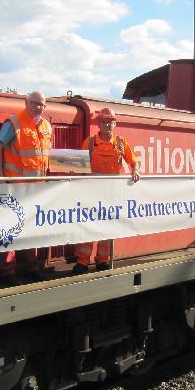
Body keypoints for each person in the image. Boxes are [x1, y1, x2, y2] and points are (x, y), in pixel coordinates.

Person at [0, 91, 52, 283]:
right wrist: (0, 178)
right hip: (16, 187)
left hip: (36, 189)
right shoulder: (14, 123)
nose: (38, 107)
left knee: (30, 228)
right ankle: (7, 271)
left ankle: (32, 267)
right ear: (26, 102)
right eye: (35, 103)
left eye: (42, 104)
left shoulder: (47, 126)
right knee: (11, 229)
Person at [73, 107, 140, 274]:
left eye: (110, 122)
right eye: (104, 122)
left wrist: (136, 170)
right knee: (88, 226)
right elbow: (78, 167)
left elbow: (133, 161)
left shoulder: (121, 143)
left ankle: (102, 260)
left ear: (115, 124)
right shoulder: (88, 143)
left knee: (107, 226)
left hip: (112, 194)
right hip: (92, 193)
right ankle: (82, 261)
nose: (107, 125)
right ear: (99, 124)